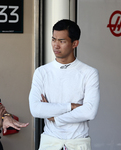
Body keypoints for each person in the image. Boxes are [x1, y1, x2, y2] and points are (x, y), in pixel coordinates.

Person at [29, 19, 100, 150]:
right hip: (50, 143)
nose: (55, 45)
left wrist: (55, 117)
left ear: (75, 43)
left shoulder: (89, 73)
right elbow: (35, 109)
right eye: (53, 39)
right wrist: (71, 106)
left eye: (62, 41)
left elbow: (89, 112)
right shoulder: (42, 72)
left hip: (78, 143)